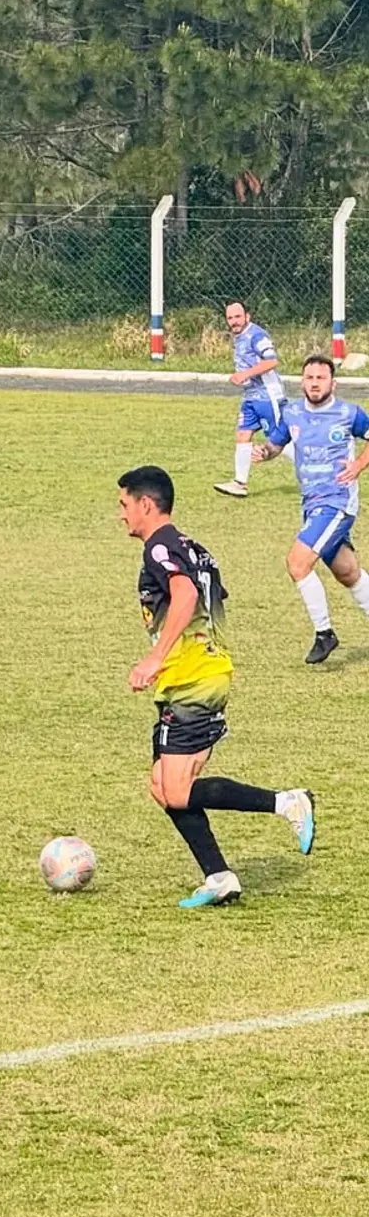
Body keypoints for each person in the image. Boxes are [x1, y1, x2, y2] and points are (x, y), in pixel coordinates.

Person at [119, 464, 313, 908]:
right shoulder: (195, 548)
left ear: (146, 504)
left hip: (193, 681)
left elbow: (186, 596)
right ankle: (220, 876)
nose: (122, 514)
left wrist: (155, 657)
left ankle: (287, 802)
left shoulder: (160, 548)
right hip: (198, 675)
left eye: (125, 505)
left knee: (178, 790)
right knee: (161, 786)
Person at [252, 354, 369, 664]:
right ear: (302, 381)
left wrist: (358, 465)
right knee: (348, 573)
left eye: (321, 378)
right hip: (312, 505)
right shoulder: (292, 414)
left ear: (333, 382)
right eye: (309, 378)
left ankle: (324, 633)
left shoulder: (348, 413)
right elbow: (276, 443)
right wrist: (264, 452)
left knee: (297, 563)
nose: (315, 383)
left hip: (337, 504)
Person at [214, 300, 290, 498]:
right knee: (242, 435)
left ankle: (319, 471)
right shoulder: (239, 338)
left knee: (283, 441)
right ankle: (240, 483)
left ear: (247, 316)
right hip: (250, 398)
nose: (234, 321)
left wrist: (245, 374)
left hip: (268, 396)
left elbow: (272, 361)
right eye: (230, 318)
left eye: (237, 317)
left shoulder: (257, 335)